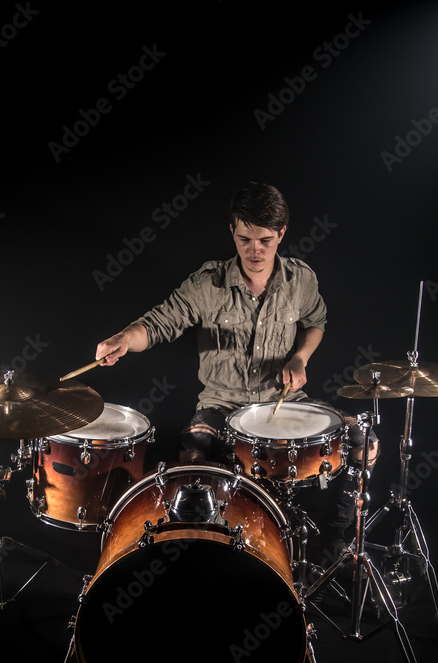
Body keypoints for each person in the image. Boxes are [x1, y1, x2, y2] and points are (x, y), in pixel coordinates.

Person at [94, 182, 378, 559]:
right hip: (222, 405)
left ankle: (336, 539)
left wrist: (300, 357)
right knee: (193, 450)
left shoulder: (301, 280)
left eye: (264, 240)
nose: (254, 250)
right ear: (232, 231)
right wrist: (123, 338)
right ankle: (208, 548)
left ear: (281, 234)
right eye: (244, 239)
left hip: (285, 400)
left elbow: (316, 322)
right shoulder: (207, 283)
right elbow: (159, 323)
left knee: (363, 439)